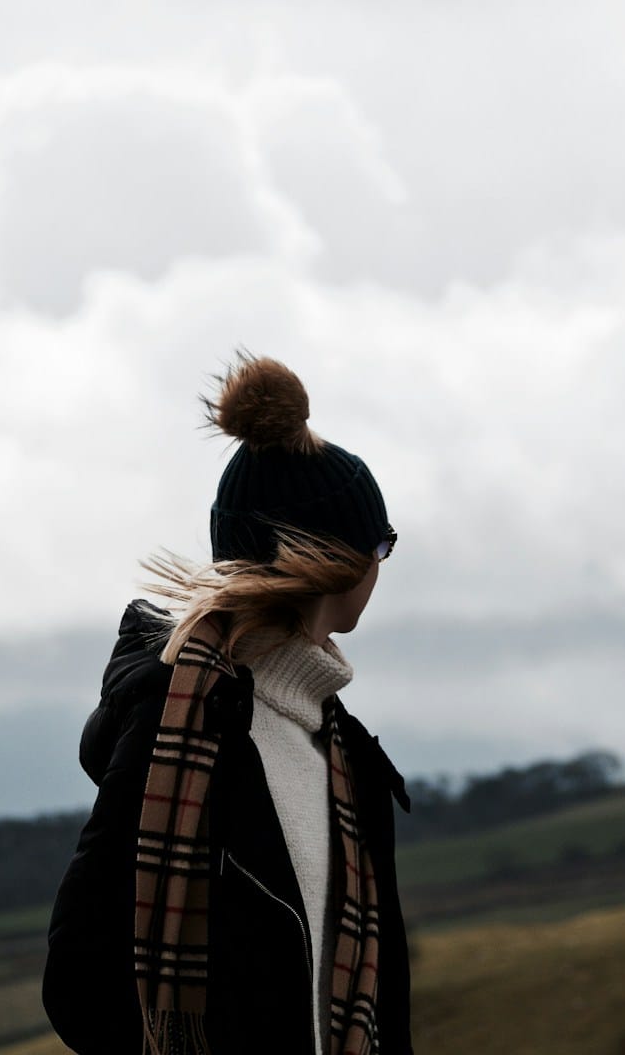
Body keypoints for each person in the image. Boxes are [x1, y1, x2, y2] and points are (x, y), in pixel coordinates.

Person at [42, 351, 414, 1055]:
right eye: (382, 544)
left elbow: (382, 1009)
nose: (382, 565)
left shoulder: (347, 759)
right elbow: (80, 981)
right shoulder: (179, 725)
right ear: (340, 559)